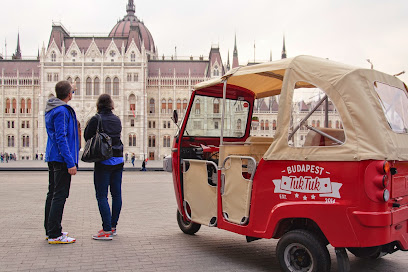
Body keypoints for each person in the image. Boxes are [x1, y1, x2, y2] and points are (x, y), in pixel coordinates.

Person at [84, 94, 124, 240]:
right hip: (118, 160)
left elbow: (87, 136)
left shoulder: (96, 118)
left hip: (104, 160)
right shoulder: (117, 119)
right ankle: (113, 227)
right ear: (111, 104)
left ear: (98, 105)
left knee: (101, 195)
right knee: (116, 195)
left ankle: (106, 230)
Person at [44, 80, 79, 244]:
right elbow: (62, 138)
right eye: (72, 91)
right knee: (59, 195)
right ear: (68, 94)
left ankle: (51, 229)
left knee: (52, 194)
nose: (73, 93)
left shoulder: (53, 108)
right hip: (61, 159)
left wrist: (70, 86)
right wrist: (70, 162)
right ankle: (55, 235)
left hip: (53, 157)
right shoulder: (61, 111)